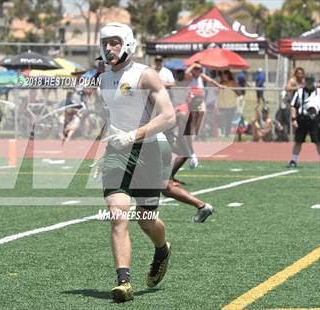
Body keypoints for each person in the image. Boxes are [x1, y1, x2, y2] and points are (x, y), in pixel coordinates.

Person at [98, 22, 176, 302]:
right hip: (116, 153)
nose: (109, 47)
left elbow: (169, 116)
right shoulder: (103, 78)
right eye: (105, 42)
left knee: (145, 219)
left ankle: (162, 249)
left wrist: (133, 135)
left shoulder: (146, 75)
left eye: (115, 42)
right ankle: (123, 282)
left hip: (147, 153)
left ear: (128, 42)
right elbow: (109, 117)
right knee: (117, 212)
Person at [158, 131, 214, 222]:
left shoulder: (178, 117)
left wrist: (190, 153)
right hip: (154, 143)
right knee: (167, 188)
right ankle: (202, 207)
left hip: (152, 145)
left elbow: (183, 133)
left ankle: (202, 206)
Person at [288, 76, 320, 168]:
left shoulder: (319, 92)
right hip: (302, 119)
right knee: (298, 141)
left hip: (315, 120)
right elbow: (293, 106)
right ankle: (293, 160)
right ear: (305, 82)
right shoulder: (299, 92)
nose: (309, 84)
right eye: (308, 82)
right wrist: (294, 119)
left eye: (311, 82)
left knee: (318, 141)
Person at [219, 70, 239, 138]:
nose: (223, 76)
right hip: (223, 105)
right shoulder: (221, 83)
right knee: (223, 119)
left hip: (231, 105)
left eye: (225, 75)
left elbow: (238, 92)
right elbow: (217, 93)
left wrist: (235, 91)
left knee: (229, 120)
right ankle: (223, 132)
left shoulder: (233, 83)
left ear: (228, 75)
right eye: (222, 75)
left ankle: (227, 133)